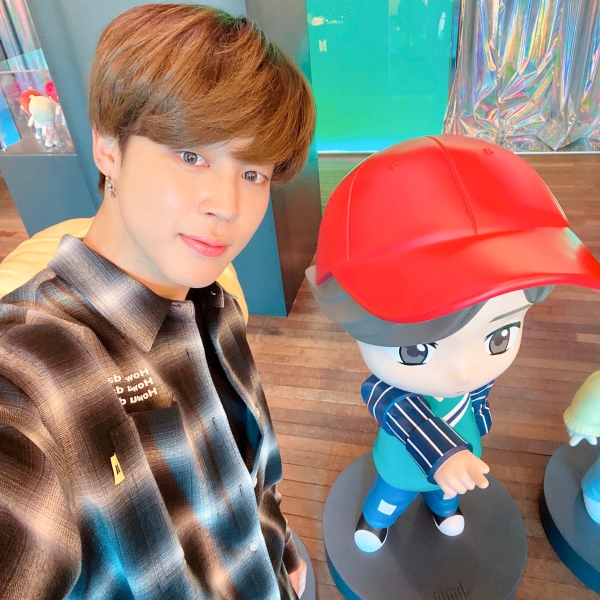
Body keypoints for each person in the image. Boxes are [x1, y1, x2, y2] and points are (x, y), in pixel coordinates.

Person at [0, 4, 315, 599]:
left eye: (253, 172)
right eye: (191, 155)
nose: (226, 206)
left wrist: (279, 547)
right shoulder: (26, 377)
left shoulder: (217, 308)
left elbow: (252, 476)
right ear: (107, 147)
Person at [306, 134, 600, 552]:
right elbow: (402, 412)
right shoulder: (386, 391)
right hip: (403, 462)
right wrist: (444, 455)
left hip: (465, 451)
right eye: (415, 350)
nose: (462, 370)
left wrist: (477, 422)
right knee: (391, 497)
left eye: (499, 336)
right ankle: (375, 522)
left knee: (448, 496)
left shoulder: (473, 380)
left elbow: (477, 395)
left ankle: (443, 510)